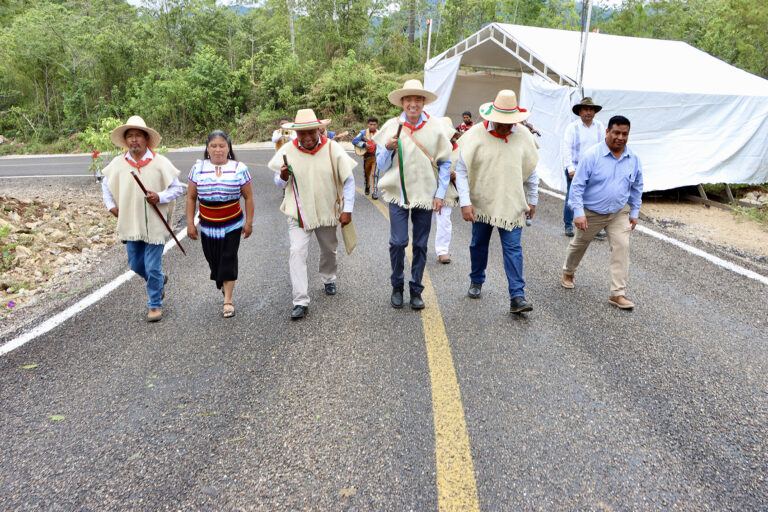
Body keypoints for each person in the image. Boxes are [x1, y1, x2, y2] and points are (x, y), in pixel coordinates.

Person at [454, 90, 540, 314]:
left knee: (513, 248)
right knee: (478, 245)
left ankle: (517, 296)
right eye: (500, 122)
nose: (505, 126)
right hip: (481, 202)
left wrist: (533, 199)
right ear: (491, 116)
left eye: (509, 122)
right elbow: (461, 171)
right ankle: (476, 279)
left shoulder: (523, 135)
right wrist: (465, 203)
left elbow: (531, 170)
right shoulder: (474, 134)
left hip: (511, 202)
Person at [268, 109, 357, 320]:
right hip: (298, 213)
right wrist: (282, 176)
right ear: (295, 133)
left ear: (319, 130)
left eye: (311, 132)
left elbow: (349, 180)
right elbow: (279, 182)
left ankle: (328, 278)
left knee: (329, 250)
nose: (307, 138)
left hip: (327, 211)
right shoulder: (287, 150)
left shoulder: (332, 148)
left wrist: (348, 210)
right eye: (302, 133)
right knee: (297, 252)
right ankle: (300, 301)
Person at [373, 79, 452, 310]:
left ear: (424, 102)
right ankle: (396, 285)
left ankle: (416, 289)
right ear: (402, 102)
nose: (413, 104)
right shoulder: (390, 126)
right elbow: (380, 165)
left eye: (418, 99)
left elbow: (445, 162)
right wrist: (388, 148)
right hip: (398, 193)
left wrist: (440, 193)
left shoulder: (436, 127)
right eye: (409, 99)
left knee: (420, 244)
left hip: (425, 196)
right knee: (398, 242)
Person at [101, 116, 183, 322]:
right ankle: (159, 281)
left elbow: (177, 188)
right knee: (136, 264)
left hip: (155, 223)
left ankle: (154, 304)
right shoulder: (117, 164)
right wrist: (111, 207)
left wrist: (160, 197)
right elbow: (106, 187)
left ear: (146, 139)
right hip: (131, 224)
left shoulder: (160, 162)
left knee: (153, 266)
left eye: (138, 135)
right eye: (130, 136)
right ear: (126, 141)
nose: (134, 140)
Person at [561, 115, 643, 309]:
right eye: (616, 132)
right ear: (607, 132)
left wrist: (635, 212)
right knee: (579, 244)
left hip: (618, 212)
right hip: (591, 212)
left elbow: (637, 186)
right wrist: (579, 213)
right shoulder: (592, 155)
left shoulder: (633, 159)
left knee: (622, 247)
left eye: (625, 134)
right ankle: (568, 271)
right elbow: (577, 187)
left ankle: (617, 293)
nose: (620, 137)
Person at [186, 130, 254, 318]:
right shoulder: (198, 169)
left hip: (232, 223)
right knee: (214, 260)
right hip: (208, 224)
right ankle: (223, 283)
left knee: (228, 257)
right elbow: (191, 198)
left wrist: (249, 223)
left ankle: (228, 300)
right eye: (213, 146)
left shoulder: (239, 168)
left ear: (228, 148)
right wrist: (190, 223)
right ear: (207, 149)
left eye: (222, 146)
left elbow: (248, 197)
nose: (218, 150)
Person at [561, 97, 606, 239]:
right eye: (585, 109)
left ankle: (594, 227)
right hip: (576, 167)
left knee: (594, 197)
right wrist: (570, 168)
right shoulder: (572, 127)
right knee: (572, 196)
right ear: (580, 112)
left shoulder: (599, 127)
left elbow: (604, 147)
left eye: (591, 110)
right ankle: (568, 225)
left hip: (594, 168)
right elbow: (566, 148)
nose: (588, 112)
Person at [433, 117, 461, 264]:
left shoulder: (460, 151)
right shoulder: (432, 147)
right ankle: (418, 248)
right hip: (428, 188)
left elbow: (466, 172)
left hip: (447, 192)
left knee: (444, 221)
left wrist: (455, 175)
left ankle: (442, 251)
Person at [352, 116, 379, 197]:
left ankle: (374, 192)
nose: (372, 126)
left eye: (374, 124)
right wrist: (364, 144)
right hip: (366, 157)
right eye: (371, 124)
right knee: (367, 174)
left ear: (377, 125)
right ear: (368, 124)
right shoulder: (363, 132)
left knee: (375, 174)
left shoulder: (380, 133)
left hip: (376, 157)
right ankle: (367, 186)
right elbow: (355, 141)